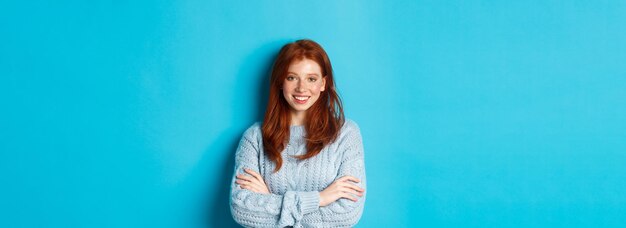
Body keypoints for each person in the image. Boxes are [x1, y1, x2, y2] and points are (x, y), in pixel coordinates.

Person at [230, 39, 366, 227]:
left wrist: (269, 199)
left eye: (311, 79)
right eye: (292, 77)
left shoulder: (346, 134)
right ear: (280, 82)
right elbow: (242, 208)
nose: (301, 88)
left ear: (323, 84)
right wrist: (320, 198)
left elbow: (347, 214)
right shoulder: (254, 138)